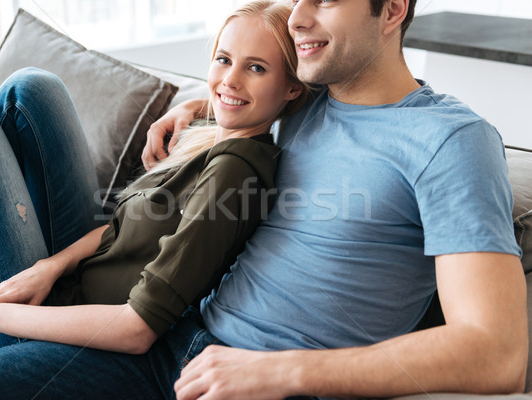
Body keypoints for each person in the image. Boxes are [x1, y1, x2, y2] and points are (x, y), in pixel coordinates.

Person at [144, 0, 529, 399]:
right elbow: (245, 84)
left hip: (272, 382)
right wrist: (198, 107)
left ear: (393, 10)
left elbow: (496, 353)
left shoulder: (453, 141)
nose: (296, 19)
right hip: (179, 337)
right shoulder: (304, 101)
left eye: (323, 1)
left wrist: (280, 371)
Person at [0, 1, 306, 397]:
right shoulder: (212, 136)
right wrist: (47, 266)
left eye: (256, 68)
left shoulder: (234, 171)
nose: (230, 80)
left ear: (292, 87)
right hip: (69, 280)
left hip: (59, 329)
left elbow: (138, 328)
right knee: (29, 89)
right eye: (223, 59)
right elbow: (117, 231)